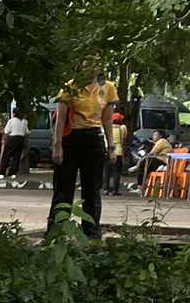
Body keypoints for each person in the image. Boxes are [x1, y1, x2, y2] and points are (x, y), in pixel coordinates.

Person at [47, 69, 116, 238]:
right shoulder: (69, 87)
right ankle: (56, 231)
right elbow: (60, 119)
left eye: (95, 61)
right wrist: (57, 145)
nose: (91, 66)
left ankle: (91, 233)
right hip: (71, 138)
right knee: (63, 188)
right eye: (87, 60)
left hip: (94, 139)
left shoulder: (107, 88)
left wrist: (112, 146)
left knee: (92, 189)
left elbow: (107, 119)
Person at [0, 107, 29, 185]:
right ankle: (12, 172)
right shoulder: (25, 121)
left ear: (14, 113)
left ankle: (2, 171)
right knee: (17, 156)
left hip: (12, 138)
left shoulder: (11, 121)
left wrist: (4, 141)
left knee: (6, 155)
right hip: (21, 139)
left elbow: (6, 131)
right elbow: (26, 133)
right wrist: (25, 143)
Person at [104, 111, 129, 195]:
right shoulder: (123, 128)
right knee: (116, 171)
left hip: (107, 150)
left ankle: (105, 189)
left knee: (106, 171)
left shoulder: (107, 127)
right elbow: (124, 138)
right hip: (118, 151)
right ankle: (115, 190)